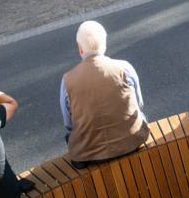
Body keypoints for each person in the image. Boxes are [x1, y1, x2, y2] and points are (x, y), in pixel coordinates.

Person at [60, 21, 149, 168]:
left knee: (70, 136)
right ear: (105, 44)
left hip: (89, 153)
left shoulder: (67, 79)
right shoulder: (124, 68)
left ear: (80, 49)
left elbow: (68, 123)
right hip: (132, 141)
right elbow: (139, 104)